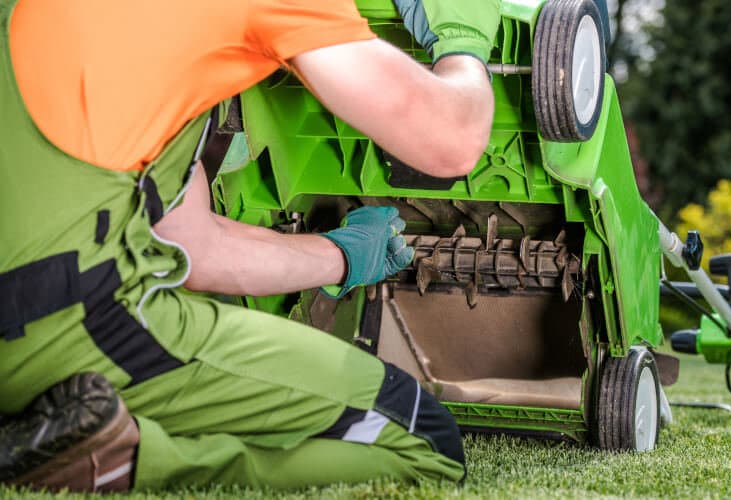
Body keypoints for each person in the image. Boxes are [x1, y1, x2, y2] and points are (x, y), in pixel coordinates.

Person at [0, 0, 500, 492]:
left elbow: (193, 244)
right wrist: (465, 40)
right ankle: (125, 461)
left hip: (40, 289)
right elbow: (452, 137)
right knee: (425, 439)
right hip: (60, 324)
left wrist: (344, 253)